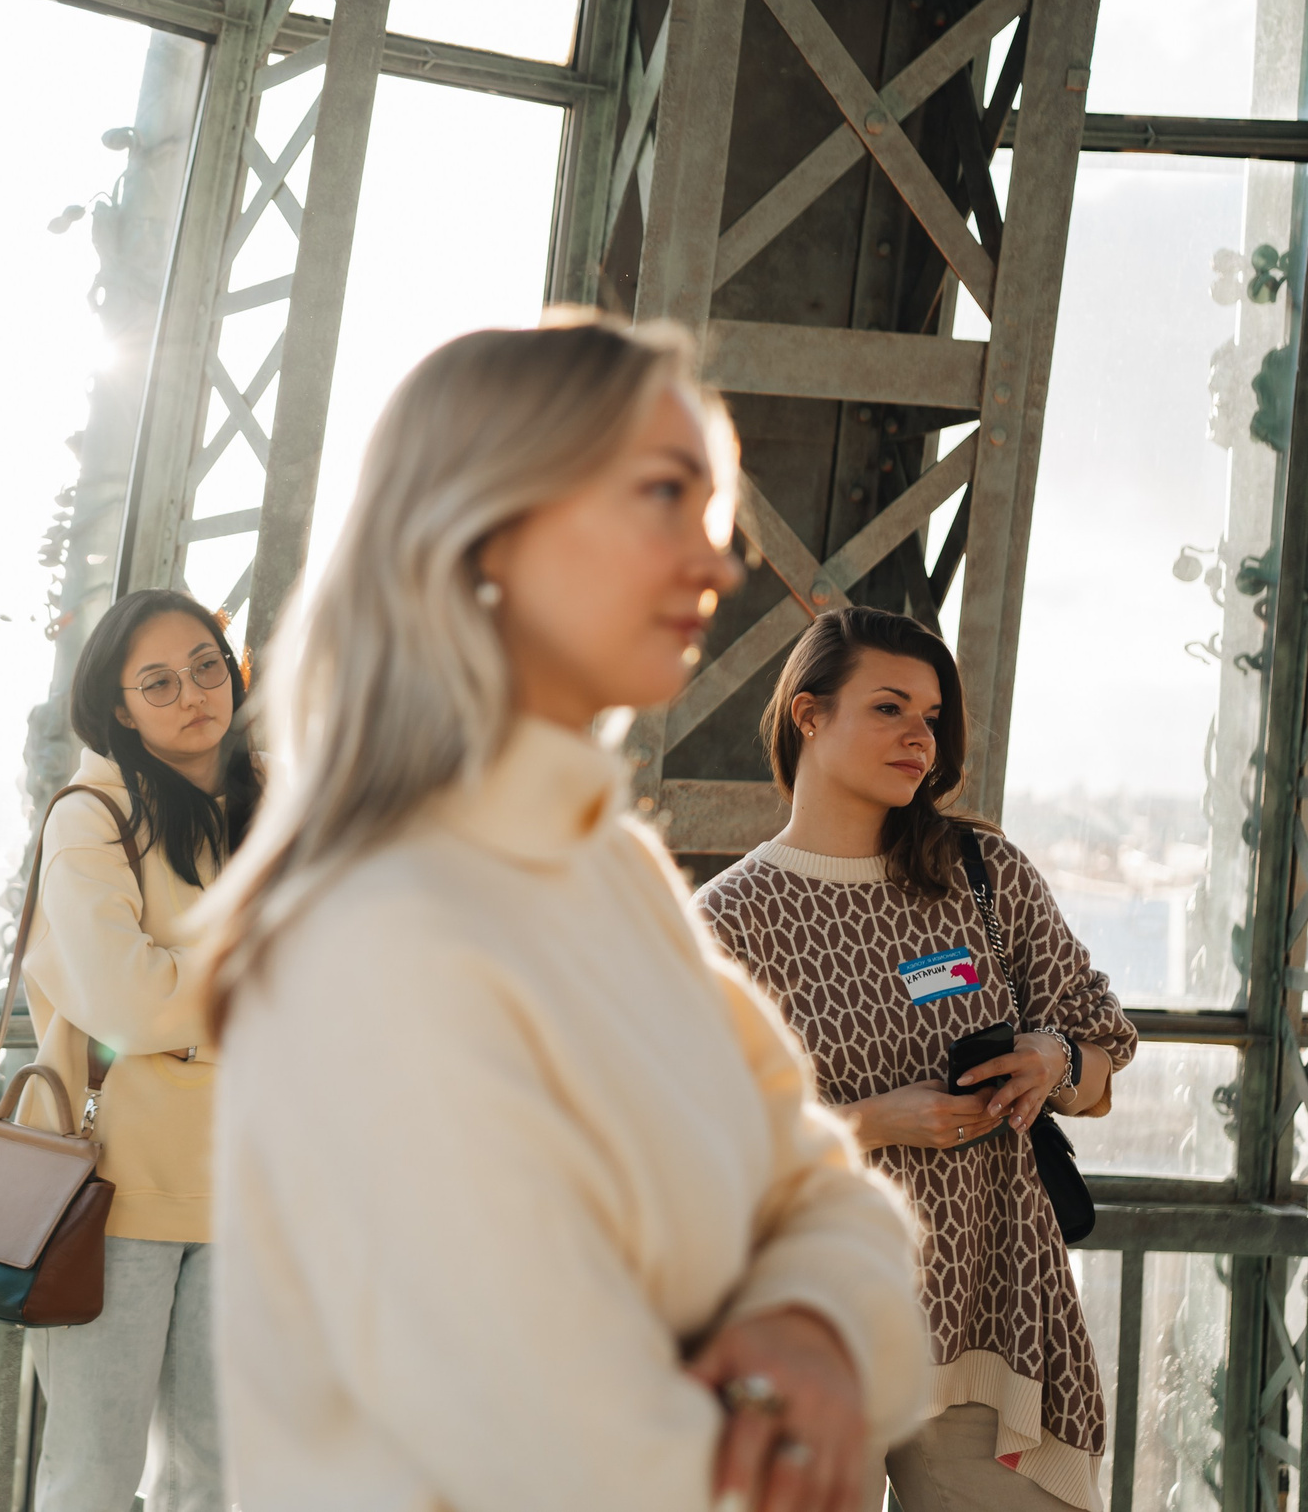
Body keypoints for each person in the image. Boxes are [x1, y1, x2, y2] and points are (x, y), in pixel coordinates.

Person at [198, 319, 930, 1512]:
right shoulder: (379, 936)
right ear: (485, 517)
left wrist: (808, 1323)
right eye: (663, 493)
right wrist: (814, 1377)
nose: (719, 561)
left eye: (714, 509)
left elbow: (825, 1180)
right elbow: (586, 1464)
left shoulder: (614, 875)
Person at [695, 607, 1135, 1512]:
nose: (919, 738)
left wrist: (1051, 1060)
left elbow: (1102, 1058)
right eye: (890, 708)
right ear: (808, 715)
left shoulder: (984, 874)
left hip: (990, 1327)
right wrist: (873, 1124)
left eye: (931, 717)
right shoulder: (725, 923)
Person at [13, 587, 261, 1512]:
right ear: (118, 707)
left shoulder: (286, 797)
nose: (195, 692)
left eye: (206, 666)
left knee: (221, 1481)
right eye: (158, 683)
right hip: (116, 1198)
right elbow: (131, 1005)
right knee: (92, 1478)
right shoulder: (92, 816)